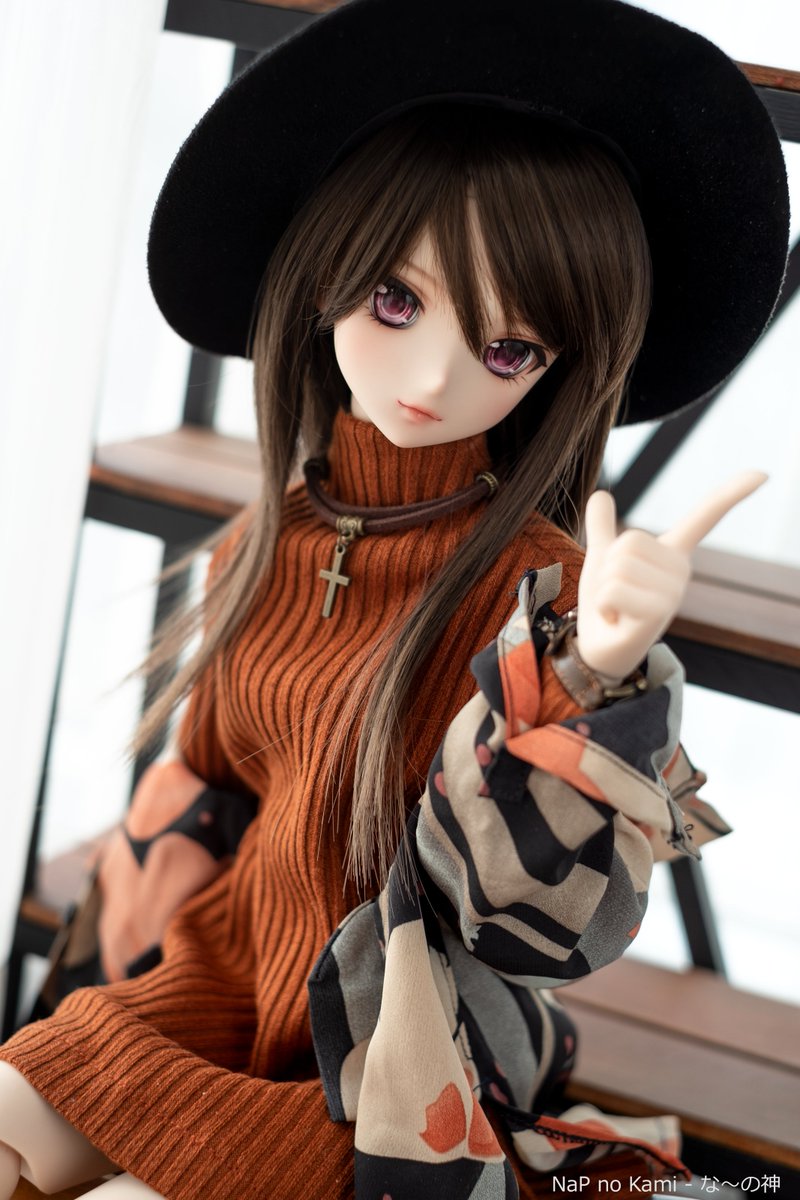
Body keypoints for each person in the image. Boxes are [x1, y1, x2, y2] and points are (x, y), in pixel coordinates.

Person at [0, 1, 788, 1198]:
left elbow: (528, 923)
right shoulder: (266, 539)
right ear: (322, 273)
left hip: (385, 1043)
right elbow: (208, 789)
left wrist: (593, 671)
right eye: (395, 300)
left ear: (555, 369)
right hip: (213, 980)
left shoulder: (539, 587)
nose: (429, 378)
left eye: (508, 349)